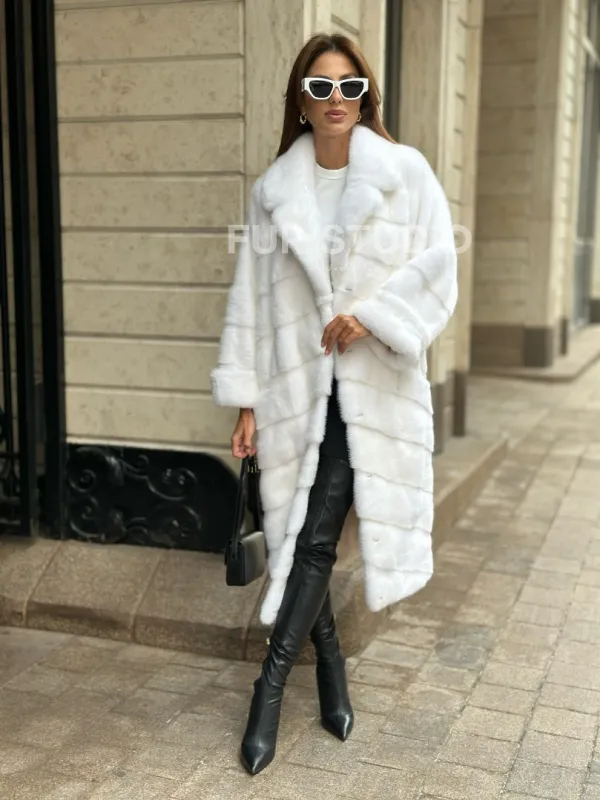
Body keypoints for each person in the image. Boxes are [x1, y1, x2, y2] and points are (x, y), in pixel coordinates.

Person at [211, 32, 458, 775]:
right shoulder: (274, 191)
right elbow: (249, 301)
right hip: (294, 390)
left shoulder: (404, 173)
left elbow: (439, 266)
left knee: (316, 536)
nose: (336, 99)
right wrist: (246, 402)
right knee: (297, 527)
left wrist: (373, 317)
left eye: (349, 86)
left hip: (371, 387)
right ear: (300, 99)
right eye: (320, 87)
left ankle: (267, 692)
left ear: (365, 94)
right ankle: (332, 673)